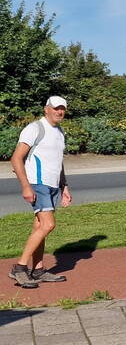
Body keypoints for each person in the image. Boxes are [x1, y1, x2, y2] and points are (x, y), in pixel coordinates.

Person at [9, 97, 73, 289]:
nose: (59, 112)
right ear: (46, 109)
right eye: (56, 108)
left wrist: (64, 187)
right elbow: (16, 158)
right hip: (38, 183)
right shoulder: (35, 128)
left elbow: (57, 161)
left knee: (40, 228)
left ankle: (38, 270)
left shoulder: (59, 132)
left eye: (62, 109)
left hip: (53, 185)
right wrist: (26, 186)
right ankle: (19, 268)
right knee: (48, 224)